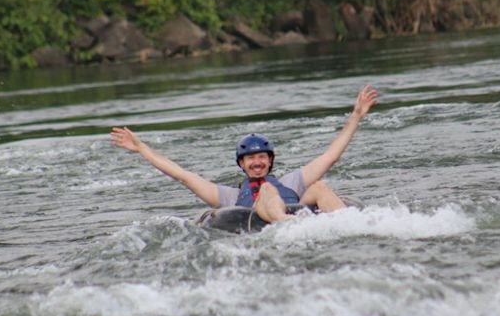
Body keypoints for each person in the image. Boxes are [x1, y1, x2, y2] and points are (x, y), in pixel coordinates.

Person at [110, 85, 378, 223]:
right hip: (269, 220)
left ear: (270, 161)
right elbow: (182, 176)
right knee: (266, 192)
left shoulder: (292, 182)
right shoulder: (227, 197)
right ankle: (286, 223)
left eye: (262, 157)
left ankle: (350, 225)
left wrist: (355, 116)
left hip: (298, 213)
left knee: (319, 186)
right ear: (242, 164)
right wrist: (142, 148)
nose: (257, 161)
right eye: (251, 158)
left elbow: (330, 157)